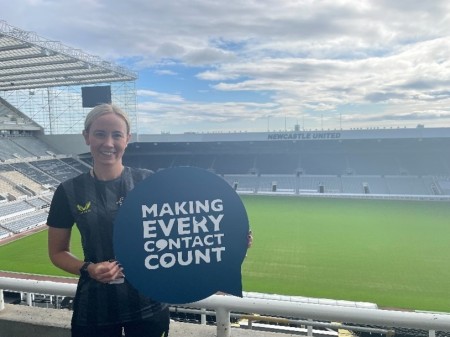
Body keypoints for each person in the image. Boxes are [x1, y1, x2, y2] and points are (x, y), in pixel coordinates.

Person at [46, 103, 170, 337]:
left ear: (127, 139)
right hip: (94, 310)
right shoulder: (68, 191)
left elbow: (180, 233)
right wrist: (89, 268)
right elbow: (57, 252)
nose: (108, 143)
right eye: (100, 134)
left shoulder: (148, 182)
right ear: (86, 137)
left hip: (149, 307)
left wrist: (229, 239)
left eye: (117, 135)